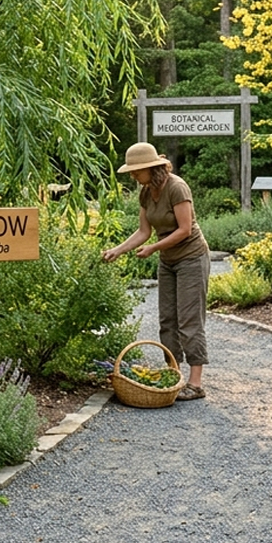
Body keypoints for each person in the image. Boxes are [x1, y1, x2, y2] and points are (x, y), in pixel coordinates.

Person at [102, 142, 210, 402]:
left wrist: (153, 249)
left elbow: (184, 229)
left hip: (192, 258)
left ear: (151, 168)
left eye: (136, 171)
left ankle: (195, 384)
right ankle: (173, 375)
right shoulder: (146, 192)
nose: (133, 176)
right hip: (168, 260)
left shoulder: (176, 187)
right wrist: (118, 250)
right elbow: (143, 231)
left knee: (189, 320)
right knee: (167, 321)